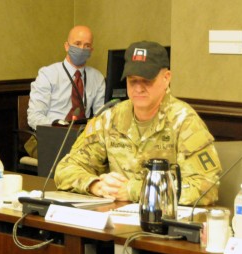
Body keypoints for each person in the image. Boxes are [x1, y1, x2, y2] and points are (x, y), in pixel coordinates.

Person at [55, 41, 221, 206]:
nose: (138, 88)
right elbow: (65, 169)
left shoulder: (185, 122)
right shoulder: (110, 119)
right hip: (116, 220)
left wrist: (134, 190)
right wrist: (96, 185)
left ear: (166, 78)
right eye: (132, 81)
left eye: (147, 80)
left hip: (163, 225)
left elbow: (207, 188)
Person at [25, 25, 106, 158]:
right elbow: (34, 117)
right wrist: (59, 128)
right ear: (67, 46)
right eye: (77, 44)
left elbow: (100, 116)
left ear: (91, 50)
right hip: (52, 138)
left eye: (86, 46)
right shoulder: (47, 74)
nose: (81, 49)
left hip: (82, 139)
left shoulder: (97, 78)